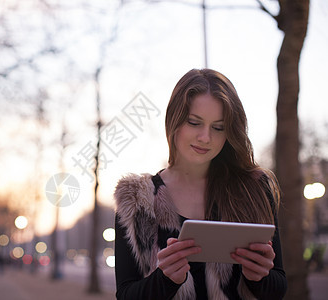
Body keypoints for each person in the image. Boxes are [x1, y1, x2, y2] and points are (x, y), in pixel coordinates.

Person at [114, 68, 287, 300]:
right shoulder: (136, 199)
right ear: (174, 120)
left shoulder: (253, 188)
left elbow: (278, 287)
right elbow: (126, 294)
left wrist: (260, 277)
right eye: (194, 123)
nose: (205, 137)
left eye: (218, 127)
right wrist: (165, 280)